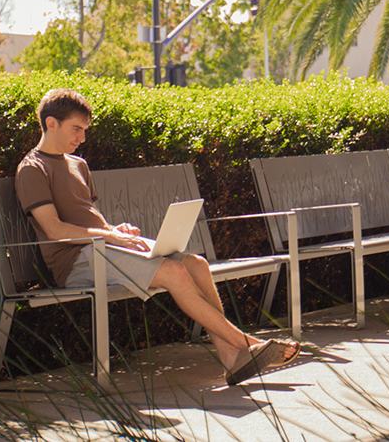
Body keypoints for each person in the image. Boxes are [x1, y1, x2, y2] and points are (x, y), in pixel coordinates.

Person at [16, 88, 299, 385]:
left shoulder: (78, 165)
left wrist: (115, 231)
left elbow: (85, 216)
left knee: (196, 264)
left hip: (101, 247)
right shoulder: (32, 169)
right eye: (76, 129)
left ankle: (231, 357)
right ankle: (247, 344)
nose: (82, 138)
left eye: (85, 130)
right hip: (77, 262)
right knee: (174, 272)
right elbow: (55, 230)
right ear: (51, 123)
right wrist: (109, 238)